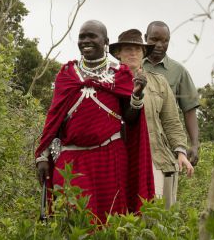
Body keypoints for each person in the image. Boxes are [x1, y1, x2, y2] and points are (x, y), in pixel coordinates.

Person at [35, 20, 155, 223]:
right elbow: (54, 118)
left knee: (108, 222)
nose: (86, 41)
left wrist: (136, 95)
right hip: (71, 160)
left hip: (109, 157)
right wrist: (43, 156)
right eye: (82, 37)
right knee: (71, 221)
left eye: (92, 36)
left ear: (106, 42)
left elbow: (130, 119)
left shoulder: (120, 75)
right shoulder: (66, 75)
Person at [109, 29, 194, 207]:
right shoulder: (108, 82)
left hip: (156, 158)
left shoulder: (159, 82)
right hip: (119, 159)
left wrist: (180, 151)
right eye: (127, 49)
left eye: (138, 49)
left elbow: (171, 121)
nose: (133, 53)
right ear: (118, 54)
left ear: (144, 53)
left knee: (157, 218)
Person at [144, 21, 202, 166]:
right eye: (154, 39)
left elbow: (189, 110)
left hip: (167, 146)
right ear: (146, 38)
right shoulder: (132, 66)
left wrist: (194, 145)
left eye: (165, 41)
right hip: (138, 141)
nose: (159, 45)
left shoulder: (178, 71)